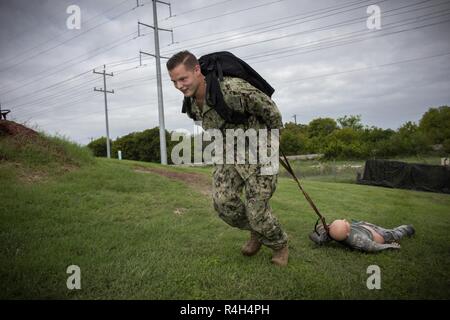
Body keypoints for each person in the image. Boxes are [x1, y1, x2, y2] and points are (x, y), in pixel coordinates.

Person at [167, 51, 289, 266]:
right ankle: (256, 232)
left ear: (197, 71)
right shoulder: (192, 103)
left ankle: (279, 244)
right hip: (229, 152)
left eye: (183, 79)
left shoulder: (232, 89)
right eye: (174, 81)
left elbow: (270, 109)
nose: (179, 86)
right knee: (223, 204)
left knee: (256, 210)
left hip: (260, 150)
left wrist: (273, 140)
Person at [309, 219, 415, 252]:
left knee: (354, 225)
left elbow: (319, 228)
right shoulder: (358, 240)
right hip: (382, 235)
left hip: (363, 227)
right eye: (345, 223)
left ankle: (364, 224)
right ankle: (406, 229)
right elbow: (373, 247)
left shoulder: (334, 233)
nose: (345, 220)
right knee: (395, 233)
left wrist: (322, 234)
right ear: (347, 233)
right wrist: (389, 246)